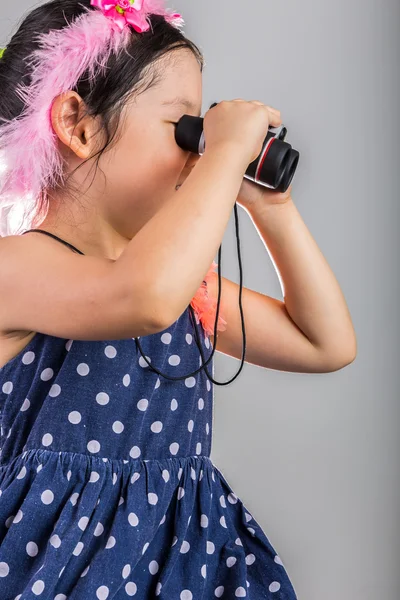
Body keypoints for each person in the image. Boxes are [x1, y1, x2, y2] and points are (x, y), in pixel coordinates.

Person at [0, 0, 357, 598]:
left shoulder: (184, 287)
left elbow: (324, 343)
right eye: (184, 128)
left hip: (177, 559)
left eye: (203, 135)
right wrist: (223, 152)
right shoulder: (18, 266)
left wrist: (271, 206)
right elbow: (142, 297)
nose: (200, 152)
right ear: (79, 126)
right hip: (50, 565)